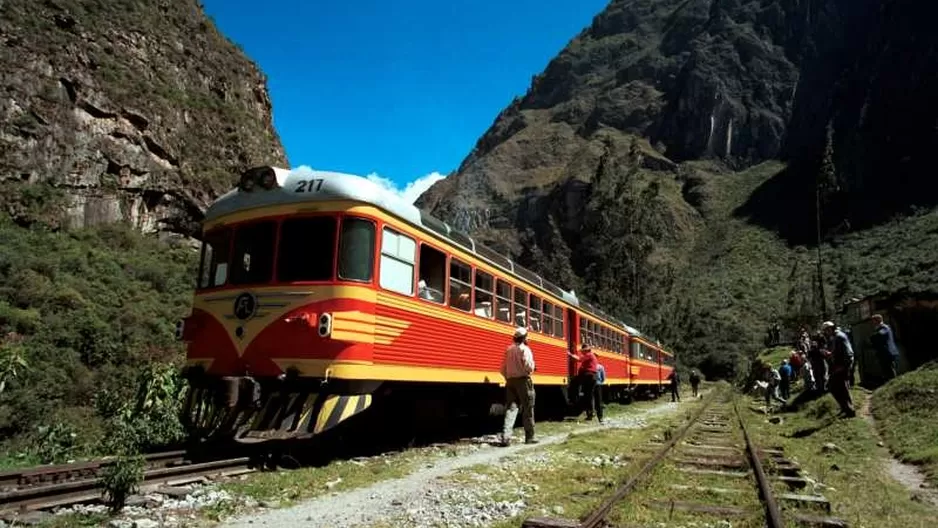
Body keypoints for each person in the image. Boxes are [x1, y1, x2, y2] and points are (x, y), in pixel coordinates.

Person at [500, 327, 537, 446]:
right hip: (523, 381)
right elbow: (528, 366)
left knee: (511, 409)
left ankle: (506, 437)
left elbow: (502, 369)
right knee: (528, 407)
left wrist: (508, 377)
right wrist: (531, 369)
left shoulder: (508, 350)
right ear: (524, 338)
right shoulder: (525, 349)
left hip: (510, 381)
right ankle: (529, 437)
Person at [822, 321, 856, 417]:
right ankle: (847, 408)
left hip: (842, 366)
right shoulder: (834, 337)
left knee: (834, 387)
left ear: (831, 328)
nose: (826, 332)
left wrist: (844, 366)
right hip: (837, 366)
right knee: (842, 388)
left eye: (826, 330)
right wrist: (829, 354)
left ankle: (848, 410)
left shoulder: (840, 337)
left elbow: (848, 353)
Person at [568, 345, 602, 422]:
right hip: (591, 377)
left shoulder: (589, 355)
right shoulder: (590, 356)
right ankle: (590, 413)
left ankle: (590, 413)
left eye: (582, 351)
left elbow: (579, 359)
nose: (582, 352)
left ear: (586, 350)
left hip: (589, 376)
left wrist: (569, 354)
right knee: (588, 395)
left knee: (588, 395)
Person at [870, 314, 899, 382]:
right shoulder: (879, 328)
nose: (872, 323)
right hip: (883, 353)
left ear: (878, 320)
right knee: (885, 369)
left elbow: (878, 336)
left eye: (873, 321)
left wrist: (872, 337)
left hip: (888, 352)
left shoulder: (884, 327)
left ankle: (894, 382)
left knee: (890, 368)